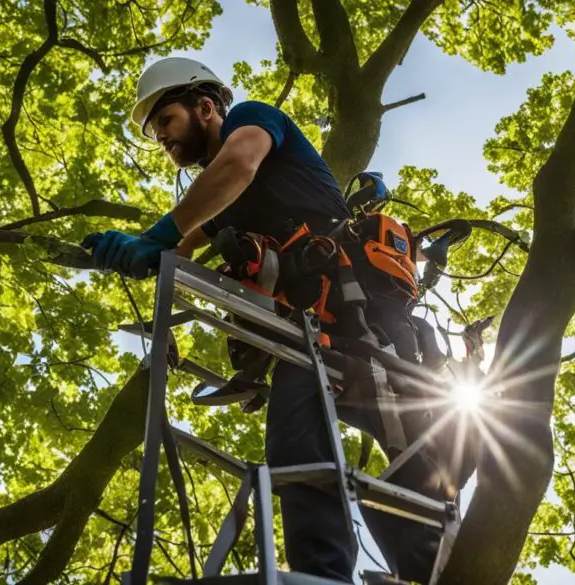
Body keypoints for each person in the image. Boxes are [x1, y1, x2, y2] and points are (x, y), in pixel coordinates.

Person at [83, 57, 440, 583]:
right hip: (305, 332)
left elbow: (236, 167)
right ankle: (324, 575)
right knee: (294, 443)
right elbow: (181, 248)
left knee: (415, 442)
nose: (162, 139)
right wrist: (132, 253)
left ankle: (438, 565)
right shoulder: (221, 202)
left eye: (166, 122)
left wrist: (156, 235)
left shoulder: (253, 121)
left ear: (205, 106)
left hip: (358, 313)